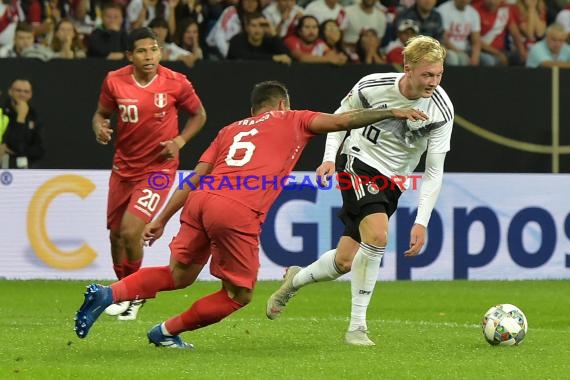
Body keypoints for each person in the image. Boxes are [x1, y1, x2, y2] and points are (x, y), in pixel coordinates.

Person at [73, 80, 428, 348]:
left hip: (200, 200)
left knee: (178, 274)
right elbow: (343, 121)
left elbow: (194, 177)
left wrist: (162, 218)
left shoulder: (230, 130)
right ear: (281, 103)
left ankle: (110, 295)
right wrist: (390, 111)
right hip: (236, 210)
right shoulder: (294, 118)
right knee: (238, 295)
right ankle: (166, 331)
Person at [266, 35, 454, 347]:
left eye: (439, 75)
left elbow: (434, 170)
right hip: (359, 162)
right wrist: (328, 159)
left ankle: (293, 281)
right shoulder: (372, 85)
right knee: (379, 236)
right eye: (427, 75)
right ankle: (357, 328)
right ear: (407, 68)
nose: (433, 82)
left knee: (344, 261)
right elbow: (340, 120)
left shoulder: (441, 110)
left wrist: (422, 220)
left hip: (392, 183)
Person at [92, 26, 206, 320]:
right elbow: (101, 114)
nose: (149, 56)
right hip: (123, 169)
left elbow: (200, 114)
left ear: (160, 51)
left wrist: (180, 141)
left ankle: (134, 294)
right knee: (116, 236)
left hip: (158, 169)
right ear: (130, 55)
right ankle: (120, 289)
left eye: (153, 50)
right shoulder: (113, 81)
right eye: (141, 51)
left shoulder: (175, 82)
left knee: (132, 231)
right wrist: (99, 127)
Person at [1, 79, 44, 169]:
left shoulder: (34, 115)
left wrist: (20, 151)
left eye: (26, 91)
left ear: (30, 94)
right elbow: (8, 141)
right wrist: (20, 118)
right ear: (10, 92)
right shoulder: (2, 112)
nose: (22, 94)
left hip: (27, 165)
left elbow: (39, 149)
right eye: (18, 90)